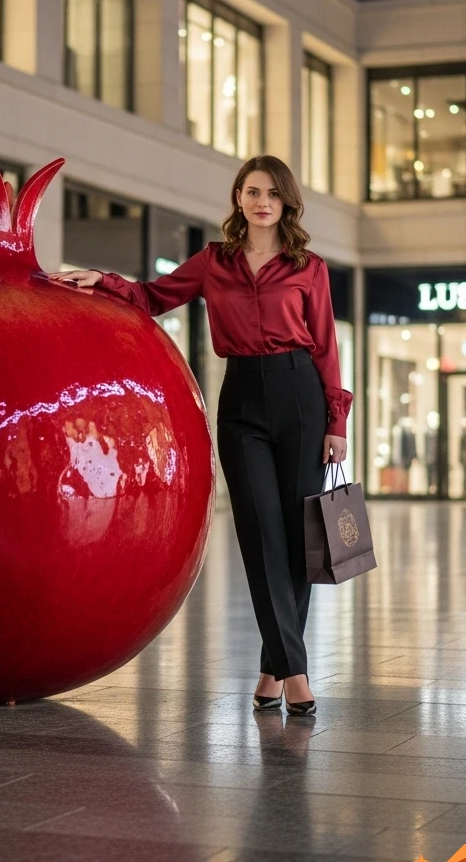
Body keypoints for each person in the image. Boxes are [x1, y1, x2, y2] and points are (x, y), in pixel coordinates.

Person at [49, 155, 351, 716]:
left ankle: (274, 667)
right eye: (252, 191)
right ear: (239, 198)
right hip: (241, 401)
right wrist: (103, 281)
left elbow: (326, 347)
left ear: (286, 202)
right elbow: (154, 297)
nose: (262, 201)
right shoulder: (215, 262)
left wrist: (337, 421)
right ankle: (298, 671)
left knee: (296, 541)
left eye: (272, 193)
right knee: (260, 534)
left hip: (300, 397)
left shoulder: (309, 267)